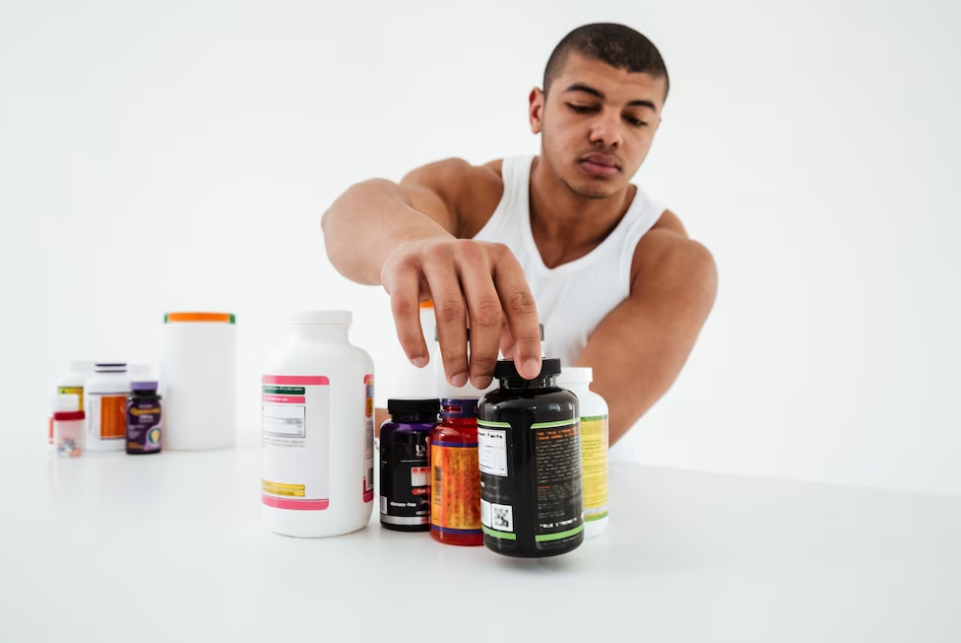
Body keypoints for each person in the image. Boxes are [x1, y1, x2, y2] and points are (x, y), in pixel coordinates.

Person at [322, 23, 717, 445]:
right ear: (536, 110)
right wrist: (413, 242)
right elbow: (346, 217)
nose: (609, 134)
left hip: (570, 498)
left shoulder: (671, 262)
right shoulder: (471, 194)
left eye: (636, 118)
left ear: (654, 130)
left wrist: (370, 426)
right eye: (583, 106)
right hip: (433, 482)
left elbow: (566, 438)